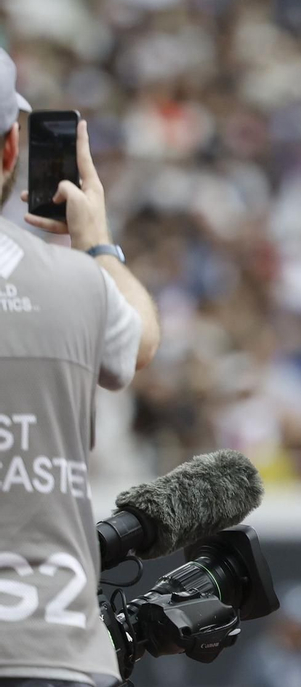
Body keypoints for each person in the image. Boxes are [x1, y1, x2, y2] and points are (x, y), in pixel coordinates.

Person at [0, 48, 162, 687]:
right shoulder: (77, 283)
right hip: (58, 651)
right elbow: (141, 340)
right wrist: (97, 243)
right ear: (12, 149)